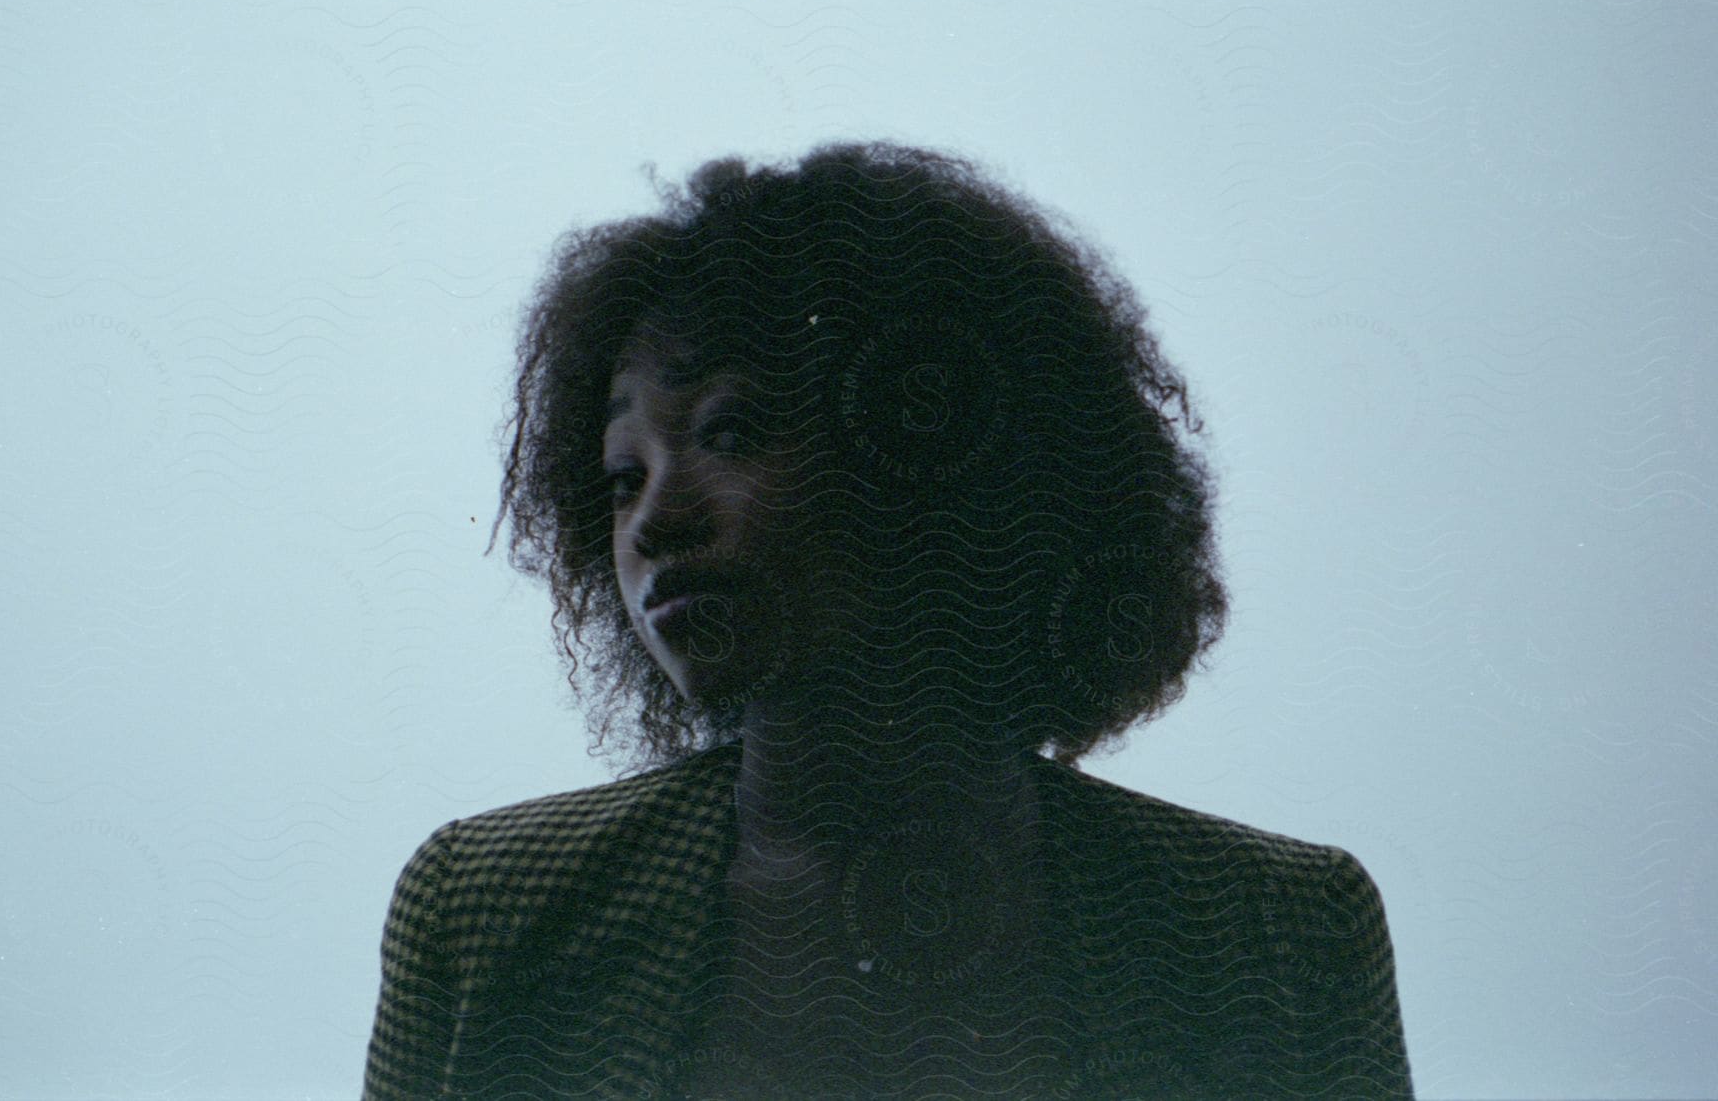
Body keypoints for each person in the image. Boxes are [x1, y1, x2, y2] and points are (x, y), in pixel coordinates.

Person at [361, 141, 1416, 1099]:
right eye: (621, 476)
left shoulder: (1280, 933)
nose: (656, 519)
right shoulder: (488, 912)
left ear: (942, 449)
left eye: (732, 430)